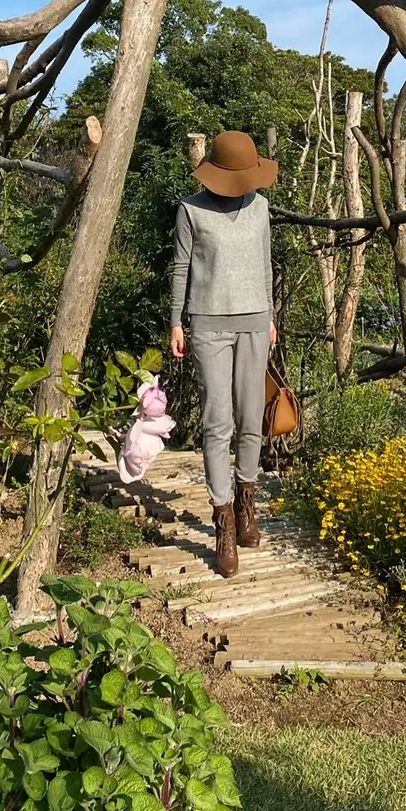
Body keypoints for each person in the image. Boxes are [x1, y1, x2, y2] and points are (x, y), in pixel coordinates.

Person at [170, 130, 278, 578]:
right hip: (208, 324)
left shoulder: (261, 207)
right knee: (218, 424)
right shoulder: (190, 210)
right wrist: (176, 321)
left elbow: (266, 261)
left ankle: (248, 508)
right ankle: (224, 522)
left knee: (252, 419)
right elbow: (181, 266)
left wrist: (270, 314)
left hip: (255, 319)